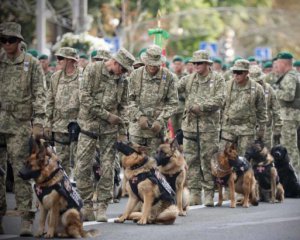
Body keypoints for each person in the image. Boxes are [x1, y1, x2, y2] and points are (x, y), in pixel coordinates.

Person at [75, 48, 135, 222]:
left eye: (125, 71)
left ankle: (102, 206)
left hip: (110, 130)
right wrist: (107, 115)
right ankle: (87, 204)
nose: (123, 73)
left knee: (108, 168)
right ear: (115, 62)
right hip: (89, 126)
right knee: (82, 167)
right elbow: (84, 97)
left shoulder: (123, 80)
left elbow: (124, 106)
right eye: (122, 69)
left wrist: (123, 129)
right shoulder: (93, 70)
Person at [0, 22, 45, 236]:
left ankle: (27, 218)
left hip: (19, 123)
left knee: (20, 171)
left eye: (11, 40)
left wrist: (38, 123)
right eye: (3, 40)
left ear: (19, 41)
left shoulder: (31, 63)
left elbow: (39, 94)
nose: (7, 44)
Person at [177, 50, 225, 206]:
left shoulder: (217, 79)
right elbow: (173, 89)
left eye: (199, 63)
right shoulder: (188, 79)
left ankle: (209, 193)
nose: (196, 66)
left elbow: (220, 99)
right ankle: (195, 193)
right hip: (190, 126)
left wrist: (202, 107)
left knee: (208, 160)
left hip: (209, 128)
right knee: (191, 160)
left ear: (207, 64)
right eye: (194, 63)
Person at [127, 45, 178, 157]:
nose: (152, 67)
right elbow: (128, 100)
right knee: (135, 164)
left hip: (156, 131)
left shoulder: (168, 77)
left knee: (154, 165)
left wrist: (161, 120)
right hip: (137, 130)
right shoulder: (135, 75)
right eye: (150, 63)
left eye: (155, 64)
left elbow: (173, 103)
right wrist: (139, 116)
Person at [44, 47, 80, 177]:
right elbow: (50, 100)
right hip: (59, 127)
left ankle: (80, 194)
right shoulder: (56, 77)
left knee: (80, 163)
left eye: (61, 58)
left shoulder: (83, 76)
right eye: (57, 58)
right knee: (60, 163)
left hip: (78, 127)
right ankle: (63, 193)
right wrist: (47, 123)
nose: (57, 60)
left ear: (70, 60)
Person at [220, 59, 267, 155]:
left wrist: (261, 130)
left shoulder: (257, 88)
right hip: (229, 127)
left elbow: (262, 110)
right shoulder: (227, 86)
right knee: (224, 157)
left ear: (246, 73)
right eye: (234, 72)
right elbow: (220, 106)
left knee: (245, 158)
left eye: (239, 72)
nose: (236, 75)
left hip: (247, 129)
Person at [274, 52, 300, 177]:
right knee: (289, 146)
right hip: (290, 116)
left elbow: (289, 96)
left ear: (284, 63)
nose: (277, 66)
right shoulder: (292, 75)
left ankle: (295, 175)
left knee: (290, 147)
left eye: (278, 64)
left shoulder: (290, 77)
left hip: (289, 116)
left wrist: (274, 92)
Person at [249, 65, 282, 149]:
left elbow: (276, 109)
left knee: (266, 154)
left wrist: (277, 128)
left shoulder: (268, 89)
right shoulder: (247, 89)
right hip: (249, 128)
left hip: (265, 128)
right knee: (249, 153)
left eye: (258, 81)